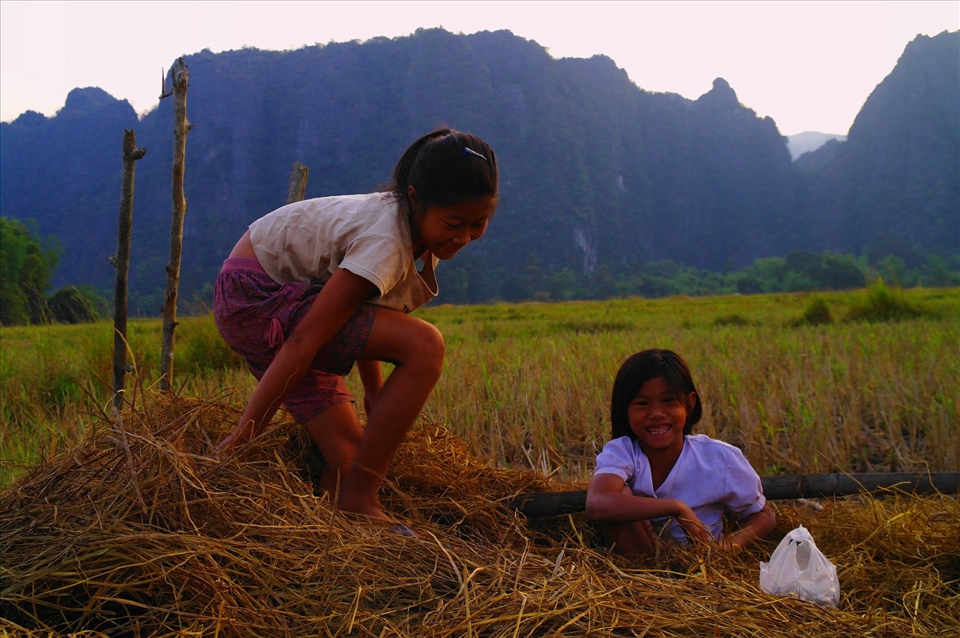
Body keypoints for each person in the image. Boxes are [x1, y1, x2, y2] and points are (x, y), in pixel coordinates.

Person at [213, 129, 498, 522]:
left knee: (348, 457)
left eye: (479, 223)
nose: (464, 237)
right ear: (415, 199)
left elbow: (363, 308)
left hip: (286, 297)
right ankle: (360, 500)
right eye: (453, 223)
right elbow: (306, 337)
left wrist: (375, 392)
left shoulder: (408, 227)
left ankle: (340, 523)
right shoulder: (386, 239)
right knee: (425, 345)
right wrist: (246, 433)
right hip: (256, 298)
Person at [586, 349, 776, 555]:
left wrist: (726, 549)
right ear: (625, 410)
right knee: (620, 495)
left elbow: (764, 515)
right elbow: (598, 502)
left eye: (668, 400)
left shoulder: (719, 458)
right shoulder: (623, 452)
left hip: (703, 566)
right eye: (642, 403)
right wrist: (676, 508)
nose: (656, 414)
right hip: (642, 573)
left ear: (689, 403)